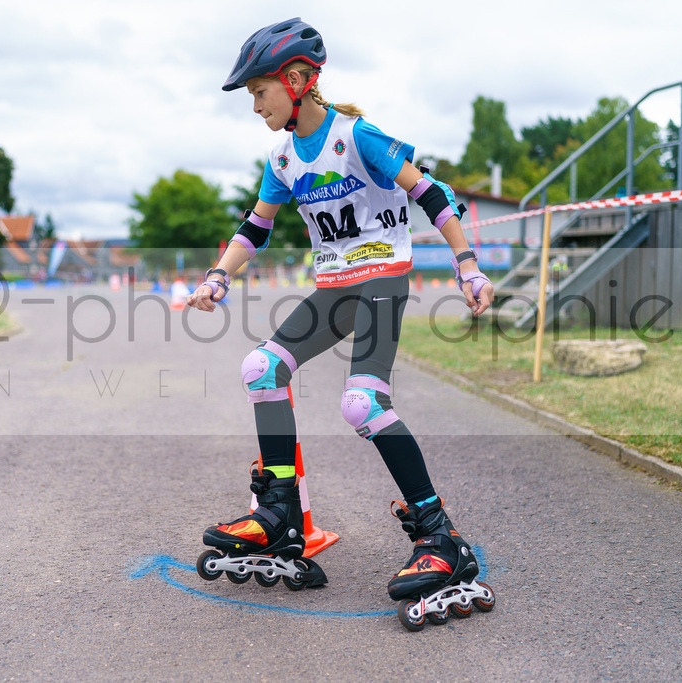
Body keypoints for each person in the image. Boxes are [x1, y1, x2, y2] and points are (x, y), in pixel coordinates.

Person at [188, 18, 496, 626]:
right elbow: (257, 225)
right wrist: (219, 276)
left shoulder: (358, 138)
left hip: (381, 279)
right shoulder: (282, 156)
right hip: (334, 286)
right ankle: (279, 512)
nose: (255, 106)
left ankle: (439, 538)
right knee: (263, 366)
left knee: (362, 403)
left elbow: (430, 191)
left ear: (298, 80)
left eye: (260, 92)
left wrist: (466, 264)